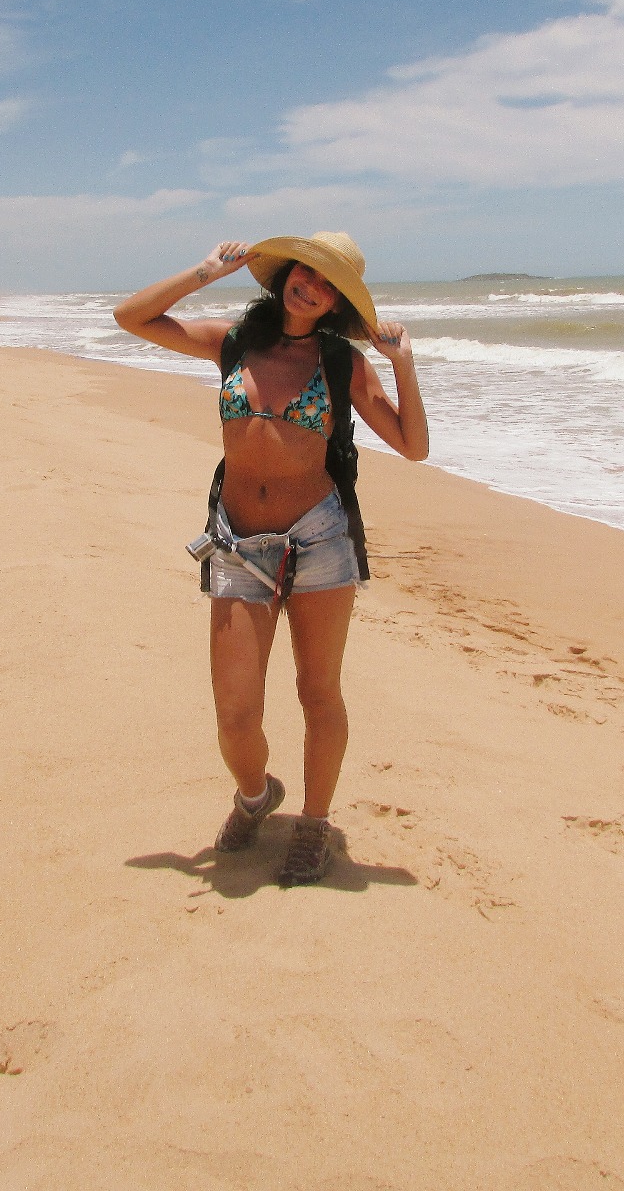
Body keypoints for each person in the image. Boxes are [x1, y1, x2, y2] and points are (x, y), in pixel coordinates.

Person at [114, 232, 429, 885]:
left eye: (327, 283)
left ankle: (313, 826)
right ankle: (257, 796)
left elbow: (413, 446)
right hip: (237, 543)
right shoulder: (235, 342)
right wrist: (204, 272)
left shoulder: (343, 364)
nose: (309, 285)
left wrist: (401, 364)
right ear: (286, 273)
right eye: (305, 271)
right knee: (235, 714)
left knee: (318, 692)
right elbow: (132, 318)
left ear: (337, 301)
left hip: (318, 541)